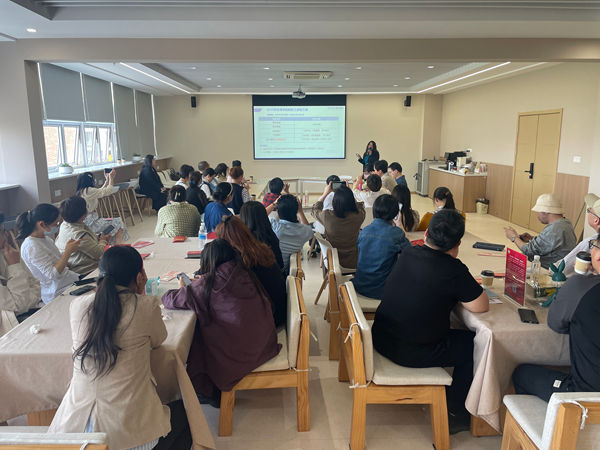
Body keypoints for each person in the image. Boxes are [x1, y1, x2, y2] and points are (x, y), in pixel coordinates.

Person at [48, 246, 192, 450]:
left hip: (73, 432)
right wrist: (141, 294)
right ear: (140, 276)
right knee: (186, 415)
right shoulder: (145, 306)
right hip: (130, 436)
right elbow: (159, 339)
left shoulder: (78, 305)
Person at [372, 209, 489, 433]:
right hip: (409, 352)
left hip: (381, 338)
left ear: (426, 234)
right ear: (458, 244)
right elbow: (481, 305)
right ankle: (455, 412)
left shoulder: (409, 252)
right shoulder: (453, 270)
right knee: (476, 344)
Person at [162, 239, 280, 403]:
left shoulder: (210, 284)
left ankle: (209, 390)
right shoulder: (243, 272)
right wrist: (201, 283)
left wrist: (185, 287)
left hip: (243, 354)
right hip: (265, 343)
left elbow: (169, 299)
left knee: (200, 331)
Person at [512, 232, 600, 402]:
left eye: (594, 246)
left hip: (586, 397)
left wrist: (583, 278)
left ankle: (549, 419)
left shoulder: (580, 287)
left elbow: (556, 324)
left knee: (522, 373)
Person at [216, 216, 287, 326]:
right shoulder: (261, 249)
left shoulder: (241, 262)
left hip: (269, 319)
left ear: (228, 243)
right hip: (279, 310)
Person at [17, 204, 81, 304]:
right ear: (42, 224)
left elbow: (57, 262)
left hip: (68, 280)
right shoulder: (31, 247)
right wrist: (67, 252)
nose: (57, 226)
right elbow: (52, 275)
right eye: (56, 223)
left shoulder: (45, 239)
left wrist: (68, 250)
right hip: (57, 291)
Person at [352, 195, 411, 299]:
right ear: (395, 214)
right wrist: (399, 224)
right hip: (381, 291)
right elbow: (410, 252)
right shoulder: (396, 234)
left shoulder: (364, 231)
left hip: (359, 286)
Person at [504, 193, 576, 268]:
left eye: (537, 211)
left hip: (547, 269)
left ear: (545, 211)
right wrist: (532, 239)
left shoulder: (554, 229)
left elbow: (529, 250)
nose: (537, 214)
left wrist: (514, 238)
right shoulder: (566, 223)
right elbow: (552, 242)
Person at [0, 212, 42, 334]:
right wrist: (14, 266)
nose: (6, 236)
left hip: (30, 312)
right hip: (10, 330)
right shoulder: (12, 256)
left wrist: (24, 303)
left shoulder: (8, 253)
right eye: (1, 232)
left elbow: (36, 285)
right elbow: (18, 305)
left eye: (3, 231)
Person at [56, 196, 119, 276]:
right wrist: (103, 241)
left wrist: (97, 238)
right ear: (84, 214)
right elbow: (99, 253)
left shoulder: (65, 224)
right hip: (87, 270)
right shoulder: (79, 234)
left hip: (77, 264)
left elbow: (87, 240)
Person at [313, 185, 365, 269]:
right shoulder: (358, 216)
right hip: (354, 262)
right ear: (352, 200)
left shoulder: (327, 216)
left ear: (334, 201)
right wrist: (350, 193)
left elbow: (314, 210)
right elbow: (360, 206)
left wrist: (325, 193)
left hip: (332, 262)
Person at [554, 193, 600, 277]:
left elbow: (563, 268)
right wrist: (594, 271)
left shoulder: (591, 243)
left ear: (596, 220)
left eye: (589, 211)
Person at [76, 170, 129, 242]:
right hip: (91, 223)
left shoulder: (83, 191)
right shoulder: (89, 190)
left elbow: (100, 191)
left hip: (88, 221)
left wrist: (107, 181)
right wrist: (111, 178)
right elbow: (109, 190)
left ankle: (109, 241)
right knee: (118, 222)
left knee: (115, 224)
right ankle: (117, 245)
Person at [270, 195, 313, 274]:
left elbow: (257, 217)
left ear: (278, 211)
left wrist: (273, 204)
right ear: (296, 210)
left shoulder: (276, 226)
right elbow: (309, 229)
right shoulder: (303, 231)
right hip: (285, 272)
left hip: (273, 270)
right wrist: (300, 211)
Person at [240, 201, 284, 270]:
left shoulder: (246, 241)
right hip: (278, 274)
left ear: (243, 217)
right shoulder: (270, 235)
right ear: (264, 216)